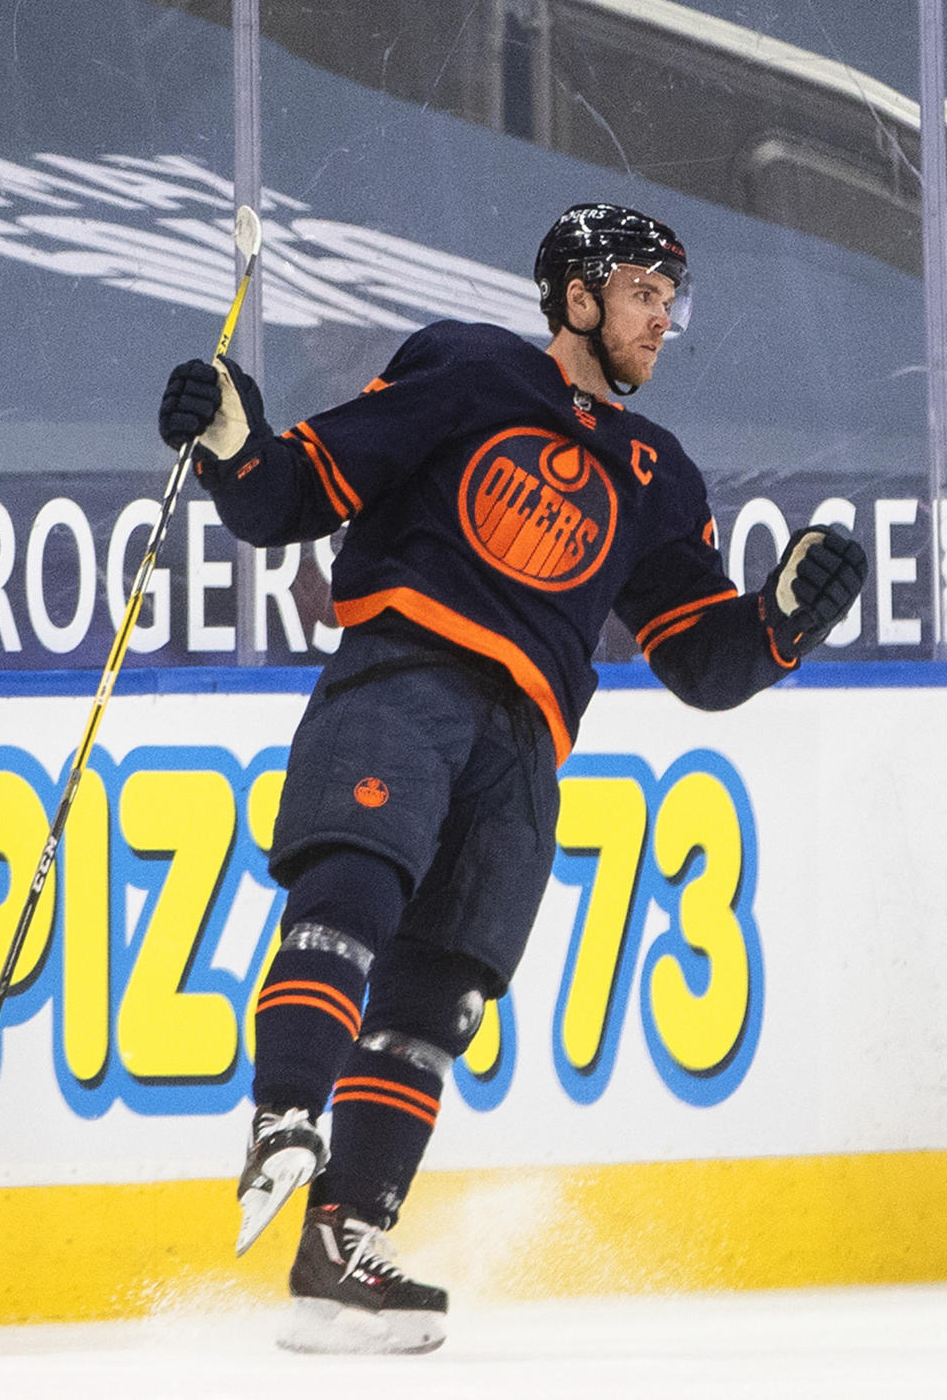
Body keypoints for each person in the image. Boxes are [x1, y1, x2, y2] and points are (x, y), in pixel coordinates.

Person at [158, 203, 867, 1354]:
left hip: (528, 745)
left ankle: (342, 1245)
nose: (661, 318)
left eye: (667, 298)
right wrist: (239, 441)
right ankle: (284, 1114)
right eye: (642, 291)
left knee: (438, 995)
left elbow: (704, 657)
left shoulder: (655, 472)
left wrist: (784, 617)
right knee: (356, 885)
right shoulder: (467, 369)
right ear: (578, 296)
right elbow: (294, 493)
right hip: (407, 676)